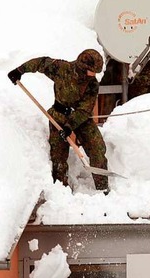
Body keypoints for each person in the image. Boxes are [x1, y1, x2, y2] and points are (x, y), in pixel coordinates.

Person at [8, 49, 110, 193]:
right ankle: (61, 191)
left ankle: (102, 188)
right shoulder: (62, 69)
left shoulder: (92, 84)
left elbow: (84, 110)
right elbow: (41, 63)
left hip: (81, 119)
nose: (93, 75)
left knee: (97, 149)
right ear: (82, 66)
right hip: (58, 116)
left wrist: (69, 127)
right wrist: (19, 70)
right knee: (58, 156)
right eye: (91, 71)